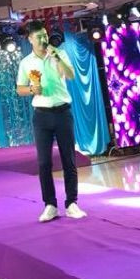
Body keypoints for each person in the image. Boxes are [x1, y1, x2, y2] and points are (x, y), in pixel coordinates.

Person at [16, 20, 87, 222]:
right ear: (30, 39)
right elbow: (19, 88)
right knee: (44, 162)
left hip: (63, 112)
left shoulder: (59, 53)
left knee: (69, 160)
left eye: (45, 35)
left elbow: (71, 75)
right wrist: (31, 89)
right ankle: (50, 205)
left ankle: (72, 203)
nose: (43, 39)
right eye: (38, 36)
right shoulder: (26, 63)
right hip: (41, 115)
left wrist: (57, 58)